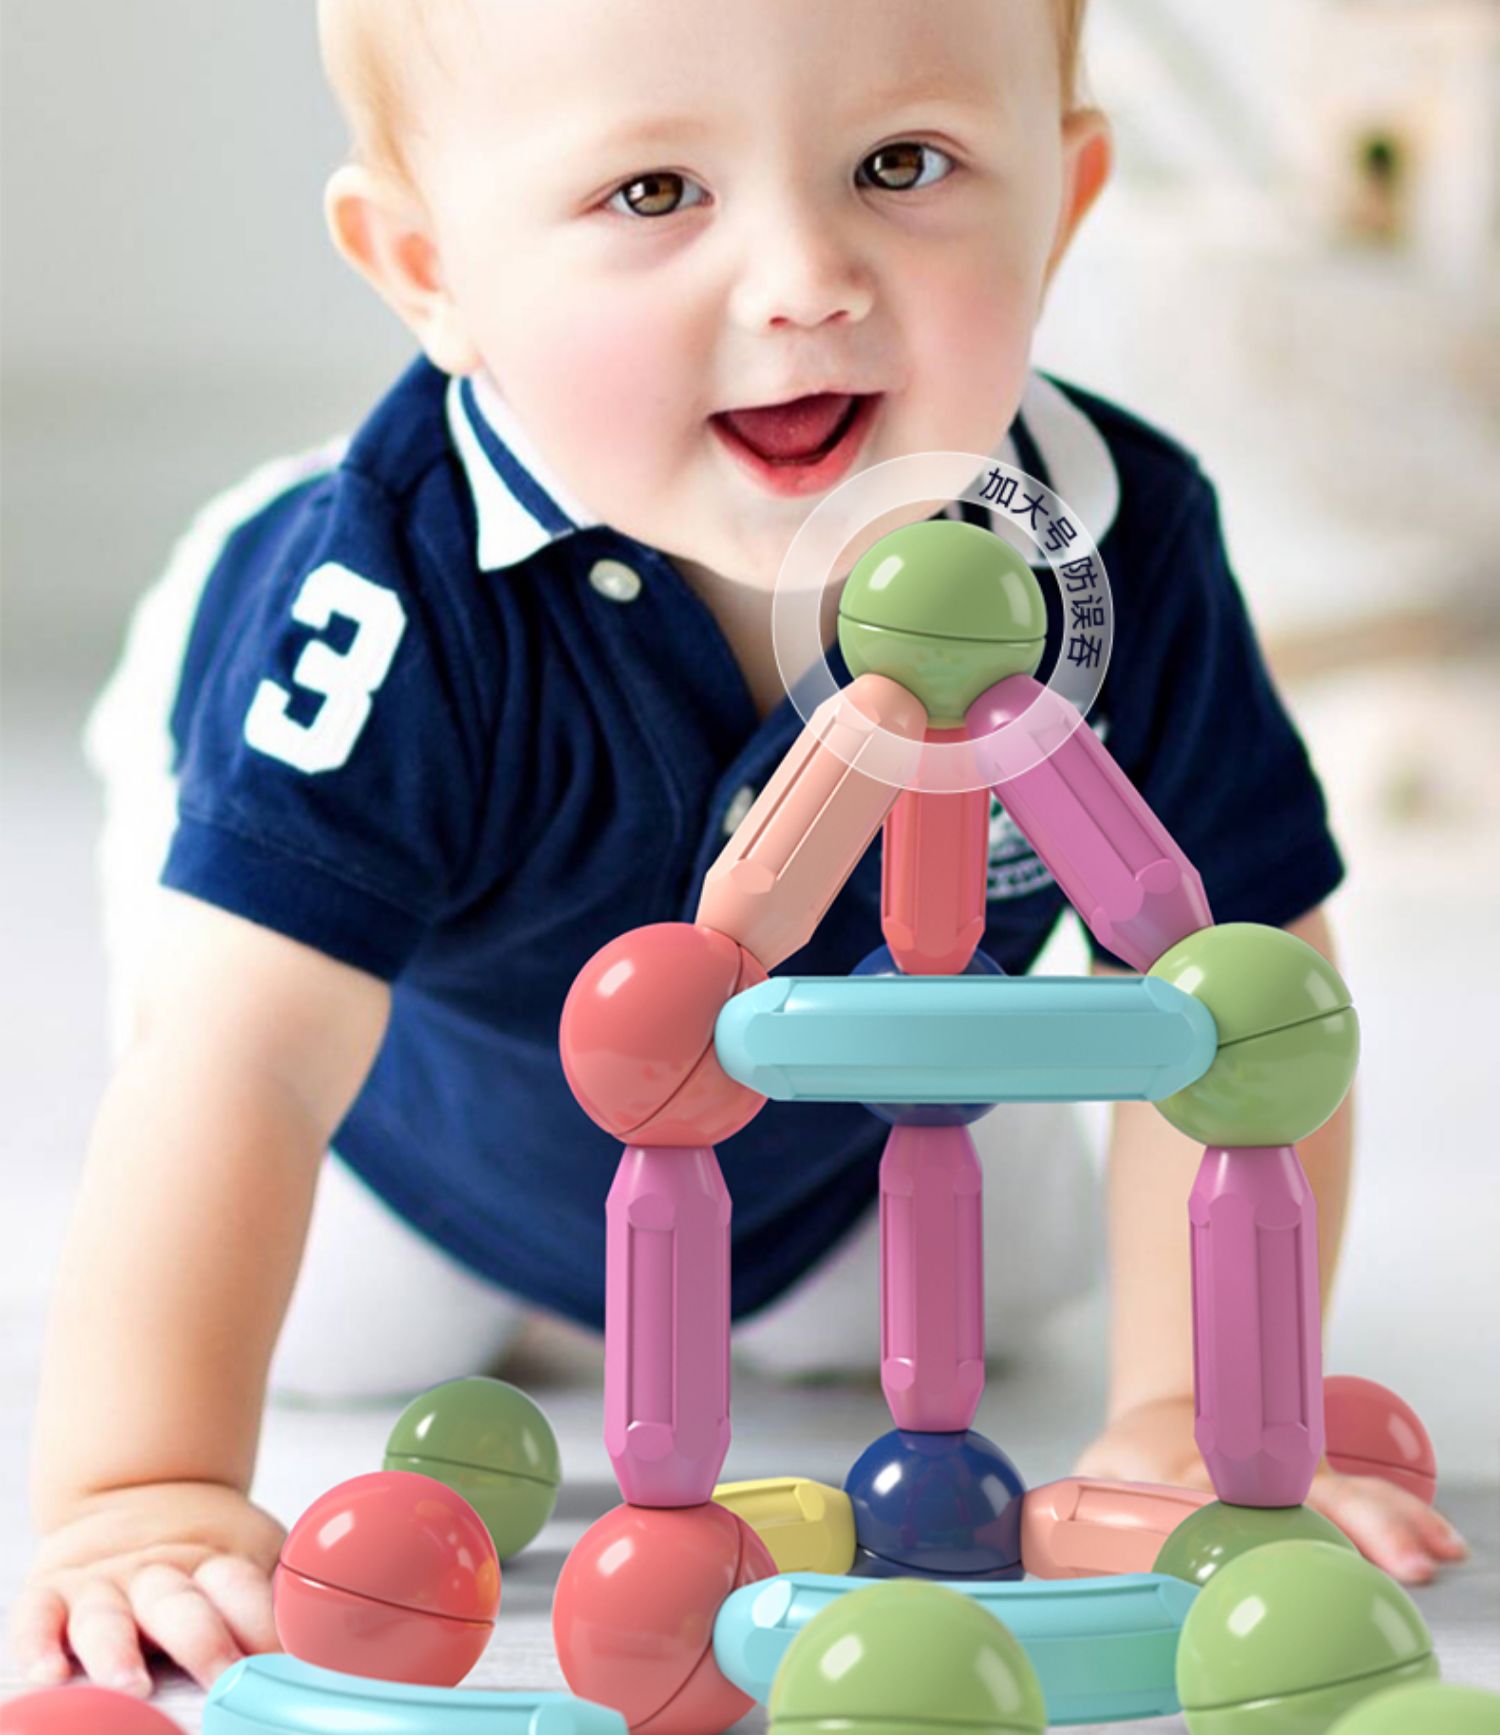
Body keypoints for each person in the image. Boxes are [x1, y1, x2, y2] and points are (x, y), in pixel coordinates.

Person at [11, 0, 1465, 1700]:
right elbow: (245, 1065)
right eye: (653, 193)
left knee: (972, 1299)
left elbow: (1244, 1006)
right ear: (426, 268)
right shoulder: (389, 591)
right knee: (347, 1304)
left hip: (829, 1164)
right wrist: (140, 1486)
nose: (805, 282)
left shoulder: (1108, 540)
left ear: (1064, 206)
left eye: (902, 165)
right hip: (402, 1146)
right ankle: (202, 716)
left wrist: (1194, 1416)